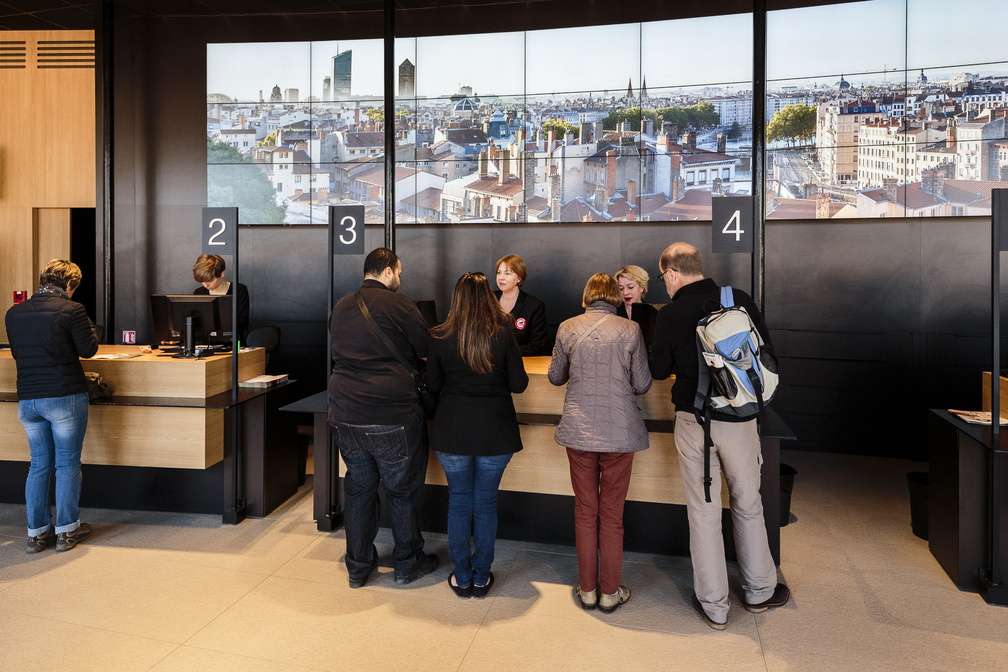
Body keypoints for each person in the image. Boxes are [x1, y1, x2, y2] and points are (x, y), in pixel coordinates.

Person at [649, 242, 790, 630]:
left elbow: (658, 371)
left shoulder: (671, 313)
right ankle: (760, 590)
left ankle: (714, 605)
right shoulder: (737, 299)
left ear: (672, 273)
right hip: (741, 421)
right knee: (748, 502)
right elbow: (768, 357)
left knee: (704, 511)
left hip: (695, 421)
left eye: (663, 278)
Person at [328, 247, 439, 588]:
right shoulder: (401, 304)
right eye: (399, 272)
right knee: (401, 491)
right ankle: (407, 562)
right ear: (388, 270)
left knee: (359, 490)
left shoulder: (342, 305)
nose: (400, 278)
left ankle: (358, 567)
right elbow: (427, 350)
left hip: (346, 410)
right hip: (392, 412)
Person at [548, 273, 651, 613]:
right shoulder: (630, 330)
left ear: (586, 297)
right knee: (612, 514)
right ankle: (610, 591)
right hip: (619, 433)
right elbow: (643, 383)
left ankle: (587, 589)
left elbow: (555, 376)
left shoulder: (567, 327)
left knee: (585, 511)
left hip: (579, 431)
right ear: (615, 298)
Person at [427, 272, 529, 598]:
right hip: (495, 432)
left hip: (452, 431)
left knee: (459, 503)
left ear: (456, 299)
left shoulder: (440, 336)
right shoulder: (502, 334)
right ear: (487, 297)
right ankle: (482, 576)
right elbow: (519, 384)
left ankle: (462, 575)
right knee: (485, 504)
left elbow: (432, 385)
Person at [5, 260, 99, 553]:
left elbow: (19, 353)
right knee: (67, 463)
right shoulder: (72, 310)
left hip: (29, 398)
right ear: (70, 285)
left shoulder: (14, 313)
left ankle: (35, 534)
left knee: (38, 465)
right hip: (64, 395)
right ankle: (67, 531)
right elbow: (89, 349)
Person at [494, 254, 550, 355]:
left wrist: (505, 352)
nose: (501, 278)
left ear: (519, 278)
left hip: (520, 363)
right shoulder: (488, 298)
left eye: (507, 273)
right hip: (488, 363)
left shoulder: (534, 305)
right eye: (499, 273)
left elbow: (538, 346)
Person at [192, 253, 250, 342]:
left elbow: (243, 321)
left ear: (222, 274)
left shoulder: (239, 290)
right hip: (204, 343)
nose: (205, 285)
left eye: (210, 280)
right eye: (202, 281)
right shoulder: (199, 293)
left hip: (232, 343)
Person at [614, 264, 658, 348]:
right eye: (621, 288)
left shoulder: (652, 313)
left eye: (630, 287)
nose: (625, 292)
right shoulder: (613, 312)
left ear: (642, 287)